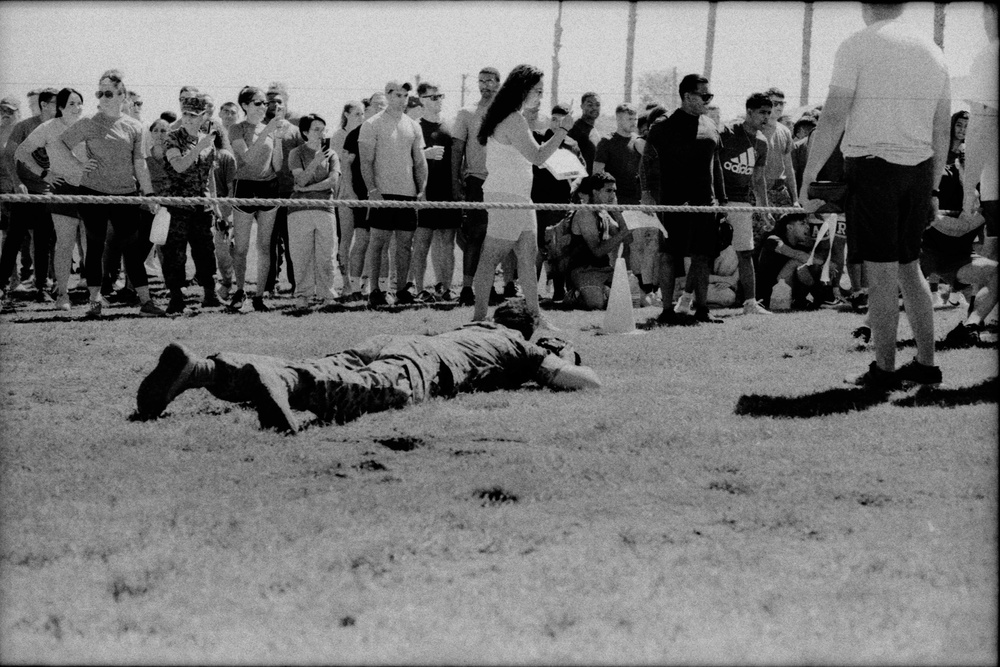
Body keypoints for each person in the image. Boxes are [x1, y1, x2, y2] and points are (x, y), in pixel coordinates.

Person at [135, 299, 601, 434]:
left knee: (326, 365)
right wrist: (555, 353)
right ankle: (281, 381)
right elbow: (587, 382)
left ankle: (201, 371)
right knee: (371, 390)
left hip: (397, 341)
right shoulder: (516, 345)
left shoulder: (473, 327)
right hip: (426, 362)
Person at [799, 2, 950, 389]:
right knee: (909, 269)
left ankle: (884, 371)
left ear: (866, 6)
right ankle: (926, 366)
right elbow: (941, 129)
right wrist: (932, 187)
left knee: (881, 274)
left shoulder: (857, 44)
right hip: (918, 171)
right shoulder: (933, 51)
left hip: (874, 167)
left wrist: (809, 175)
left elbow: (833, 115)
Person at [472, 64, 573, 326]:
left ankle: (535, 315)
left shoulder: (510, 116)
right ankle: (478, 317)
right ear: (524, 89)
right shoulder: (513, 119)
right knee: (491, 256)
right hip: (506, 195)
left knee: (528, 254)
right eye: (537, 91)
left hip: (519, 196)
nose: (540, 97)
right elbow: (537, 157)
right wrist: (562, 131)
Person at [60, 69, 166, 317]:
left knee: (132, 250)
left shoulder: (135, 126)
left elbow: (139, 162)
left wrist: (149, 194)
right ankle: (95, 304)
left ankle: (146, 302)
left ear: (122, 95)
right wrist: (77, 166)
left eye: (108, 93)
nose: (103, 97)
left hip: (126, 195)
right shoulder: (87, 122)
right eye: (100, 92)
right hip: (93, 194)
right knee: (95, 249)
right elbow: (59, 145)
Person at [641, 73, 726, 325]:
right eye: (704, 95)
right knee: (669, 255)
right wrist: (647, 194)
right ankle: (667, 310)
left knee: (702, 256)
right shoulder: (663, 125)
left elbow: (717, 164)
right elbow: (646, 161)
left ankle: (702, 309)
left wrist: (722, 199)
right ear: (687, 96)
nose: (708, 100)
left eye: (709, 96)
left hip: (705, 202)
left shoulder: (710, 125)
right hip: (672, 201)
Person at [10, 88, 94, 311]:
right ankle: (63, 295)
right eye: (71, 104)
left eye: (79, 103)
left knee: (91, 244)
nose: (76, 108)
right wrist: (44, 173)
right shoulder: (48, 128)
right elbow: (21, 152)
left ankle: (95, 296)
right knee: (64, 245)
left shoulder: (88, 124)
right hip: (62, 190)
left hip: (90, 190)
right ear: (60, 107)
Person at [358, 80, 427, 307]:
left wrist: (421, 190)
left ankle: (401, 291)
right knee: (378, 242)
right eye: (397, 95)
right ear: (387, 95)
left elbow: (419, 161)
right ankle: (375, 291)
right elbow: (366, 161)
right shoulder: (372, 124)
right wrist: (373, 190)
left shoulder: (413, 125)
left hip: (407, 194)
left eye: (405, 95)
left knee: (405, 244)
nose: (402, 99)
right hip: (383, 194)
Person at [161, 93, 221, 314]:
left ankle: (210, 294)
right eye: (185, 114)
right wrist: (197, 148)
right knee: (175, 253)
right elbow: (178, 166)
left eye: (193, 115)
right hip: (177, 205)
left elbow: (209, 176)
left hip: (201, 205)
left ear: (203, 116)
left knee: (205, 250)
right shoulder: (172, 137)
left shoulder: (208, 141)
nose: (187, 119)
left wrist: (214, 203)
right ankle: (176, 297)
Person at [228, 85, 284, 312]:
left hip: (269, 187)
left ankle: (259, 295)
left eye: (265, 103)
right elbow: (248, 158)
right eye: (258, 103)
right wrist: (266, 131)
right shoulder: (236, 128)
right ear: (245, 106)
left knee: (265, 245)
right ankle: (239, 290)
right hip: (245, 187)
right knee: (241, 247)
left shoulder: (269, 128)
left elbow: (277, 165)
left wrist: (276, 138)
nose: (264, 107)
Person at [0, 87, 59, 303]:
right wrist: (17, 183)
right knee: (14, 239)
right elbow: (10, 155)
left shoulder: (60, 128)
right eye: (56, 102)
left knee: (43, 241)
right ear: (44, 105)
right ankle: (2, 286)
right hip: (23, 193)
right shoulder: (24, 126)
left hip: (46, 194)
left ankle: (41, 287)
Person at [717, 92, 773, 314]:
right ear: (749, 111)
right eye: (762, 112)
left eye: (769, 113)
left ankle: (750, 303)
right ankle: (688, 299)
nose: (766, 117)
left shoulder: (762, 142)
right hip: (717, 201)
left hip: (742, 203)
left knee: (746, 252)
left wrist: (764, 209)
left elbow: (758, 179)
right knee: (703, 253)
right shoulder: (727, 133)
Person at [452, 66, 501, 306]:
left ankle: (489, 286)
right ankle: (467, 289)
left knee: (497, 237)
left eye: (490, 81)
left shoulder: (507, 113)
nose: (485, 85)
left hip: (502, 182)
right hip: (476, 180)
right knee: (475, 235)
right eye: (481, 81)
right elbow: (457, 150)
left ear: (498, 84)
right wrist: (455, 182)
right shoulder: (466, 112)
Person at [410, 81, 460, 301]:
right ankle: (419, 288)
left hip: (448, 192)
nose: (438, 100)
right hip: (424, 192)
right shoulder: (414, 126)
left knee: (447, 243)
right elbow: (405, 160)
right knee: (421, 242)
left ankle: (446, 288)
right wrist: (425, 155)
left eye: (440, 96)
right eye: (433, 97)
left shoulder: (452, 125)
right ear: (421, 99)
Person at [287, 113, 340, 308]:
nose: (321, 134)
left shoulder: (332, 154)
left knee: (327, 255)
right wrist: (316, 161)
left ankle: (328, 295)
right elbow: (299, 179)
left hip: (325, 209)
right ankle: (303, 296)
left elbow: (333, 182)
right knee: (301, 255)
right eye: (316, 130)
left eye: (323, 129)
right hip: (299, 211)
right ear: (305, 132)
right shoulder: (296, 153)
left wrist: (306, 189)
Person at [531, 104, 582, 302]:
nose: (556, 123)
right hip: (536, 202)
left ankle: (559, 291)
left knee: (558, 249)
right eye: (554, 119)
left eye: (562, 120)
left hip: (561, 202)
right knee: (535, 249)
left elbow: (580, 172)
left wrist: (574, 183)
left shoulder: (572, 144)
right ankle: (530, 291)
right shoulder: (537, 137)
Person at [341, 93, 389, 301]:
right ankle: (354, 288)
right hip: (362, 195)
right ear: (368, 108)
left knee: (382, 242)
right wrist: (350, 191)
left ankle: (377, 288)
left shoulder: (389, 131)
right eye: (376, 105)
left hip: (386, 194)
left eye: (383, 105)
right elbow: (346, 164)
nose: (380, 108)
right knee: (362, 240)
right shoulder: (356, 133)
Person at [563, 172, 632, 309]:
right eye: (608, 190)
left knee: (633, 299)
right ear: (595, 191)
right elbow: (597, 251)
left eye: (614, 191)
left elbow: (628, 239)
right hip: (583, 270)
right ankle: (574, 294)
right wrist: (622, 233)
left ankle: (604, 291)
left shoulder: (604, 212)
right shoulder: (585, 212)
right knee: (596, 304)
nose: (612, 195)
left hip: (604, 269)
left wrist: (617, 211)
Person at [263, 85, 304, 299]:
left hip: (290, 194)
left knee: (292, 241)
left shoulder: (295, 130)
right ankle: (269, 284)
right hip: (266, 191)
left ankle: (297, 285)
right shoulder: (260, 128)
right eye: (270, 101)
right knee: (269, 241)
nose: (275, 105)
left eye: (279, 101)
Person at [757, 212, 843, 310]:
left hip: (786, 290)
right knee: (798, 262)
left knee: (813, 261)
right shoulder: (773, 239)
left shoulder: (800, 246)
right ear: (790, 227)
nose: (807, 227)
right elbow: (795, 254)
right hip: (769, 293)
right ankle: (822, 297)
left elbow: (811, 258)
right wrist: (825, 264)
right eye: (802, 224)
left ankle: (816, 298)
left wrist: (824, 267)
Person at [331, 101, 364, 291]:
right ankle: (345, 283)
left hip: (361, 192)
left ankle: (358, 280)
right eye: (356, 114)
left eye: (362, 113)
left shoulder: (364, 134)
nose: (360, 117)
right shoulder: (339, 136)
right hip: (344, 192)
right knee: (345, 238)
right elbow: (340, 165)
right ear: (346, 115)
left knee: (362, 239)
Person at [761, 87, 799, 208]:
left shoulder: (785, 131)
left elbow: (789, 168)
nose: (779, 107)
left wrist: (795, 200)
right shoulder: (755, 129)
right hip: (758, 192)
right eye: (775, 103)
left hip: (780, 192)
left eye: (782, 103)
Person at [567, 91, 602, 174]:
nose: (594, 108)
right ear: (582, 106)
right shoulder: (575, 129)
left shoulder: (594, 131)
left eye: (597, 105)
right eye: (590, 105)